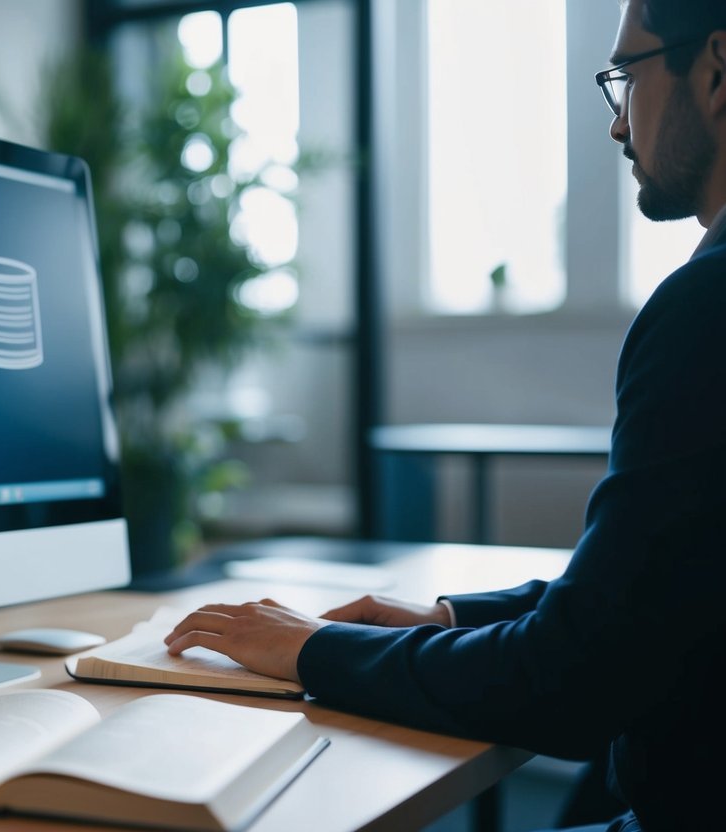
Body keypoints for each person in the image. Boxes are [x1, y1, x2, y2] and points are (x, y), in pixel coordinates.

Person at [164, 2, 726, 830]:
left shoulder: (705, 308)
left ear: (714, 70)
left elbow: (568, 681)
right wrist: (446, 618)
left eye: (626, 78)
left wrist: (311, 648)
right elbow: (652, 592)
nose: (616, 125)